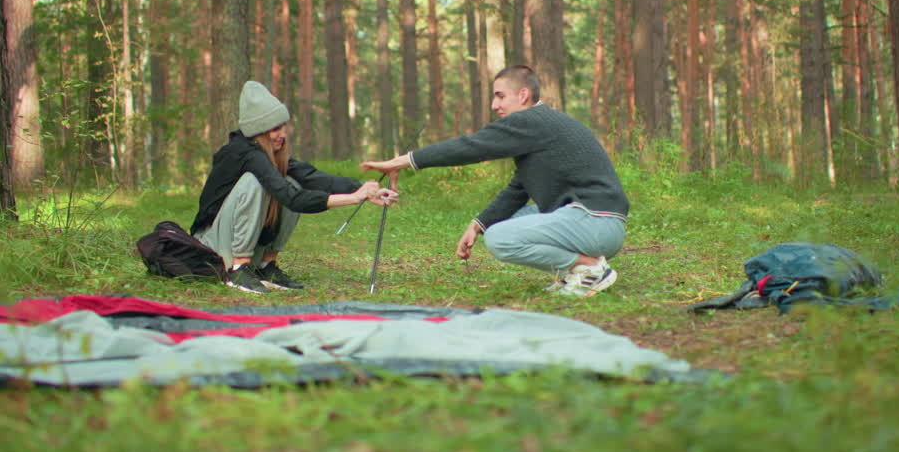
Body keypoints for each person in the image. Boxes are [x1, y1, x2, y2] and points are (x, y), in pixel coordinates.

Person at [361, 65, 628, 297]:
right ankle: (577, 273)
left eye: (500, 96)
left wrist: (404, 160)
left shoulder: (532, 121)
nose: (494, 105)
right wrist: (478, 225)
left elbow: (472, 146)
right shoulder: (539, 127)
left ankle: (590, 268)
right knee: (496, 226)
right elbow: (518, 189)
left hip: (596, 222)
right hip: (592, 223)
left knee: (500, 239)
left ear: (523, 95)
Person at [192, 80, 397, 294]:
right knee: (256, 183)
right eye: (275, 129)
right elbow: (293, 198)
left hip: (232, 240)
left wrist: (362, 188)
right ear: (259, 130)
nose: (283, 133)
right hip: (211, 245)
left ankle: (265, 266)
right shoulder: (244, 154)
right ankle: (238, 269)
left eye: (283, 126)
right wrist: (353, 199)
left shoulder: (267, 154)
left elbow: (311, 177)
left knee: (293, 181)